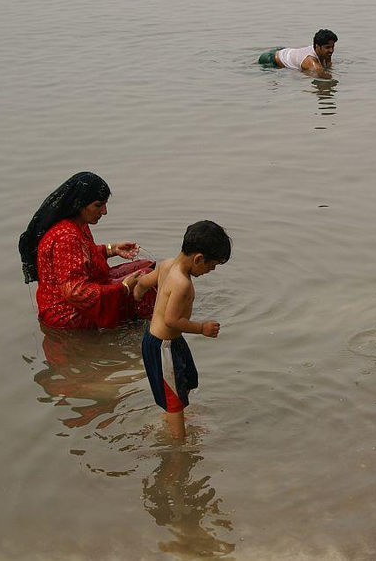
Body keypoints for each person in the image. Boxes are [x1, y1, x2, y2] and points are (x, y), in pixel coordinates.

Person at [18, 172, 155, 330]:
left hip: (77, 297)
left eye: (105, 204)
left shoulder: (78, 224)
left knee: (147, 266)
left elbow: (81, 256)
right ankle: (147, 330)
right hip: (66, 312)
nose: (104, 211)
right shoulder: (66, 237)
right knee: (146, 281)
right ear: (79, 205)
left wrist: (112, 249)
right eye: (98, 205)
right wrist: (123, 288)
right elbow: (75, 292)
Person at [134, 220, 232, 439]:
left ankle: (172, 418)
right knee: (174, 397)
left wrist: (137, 293)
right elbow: (171, 320)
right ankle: (179, 441)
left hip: (169, 342)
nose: (211, 270)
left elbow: (144, 282)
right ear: (198, 258)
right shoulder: (182, 284)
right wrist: (202, 328)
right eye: (211, 265)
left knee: (187, 379)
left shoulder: (167, 264)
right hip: (163, 347)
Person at [257, 29, 337, 79]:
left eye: (332, 47)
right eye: (327, 47)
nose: (331, 50)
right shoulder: (311, 62)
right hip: (270, 58)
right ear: (317, 46)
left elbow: (328, 66)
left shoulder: (325, 53)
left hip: (284, 51)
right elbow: (323, 76)